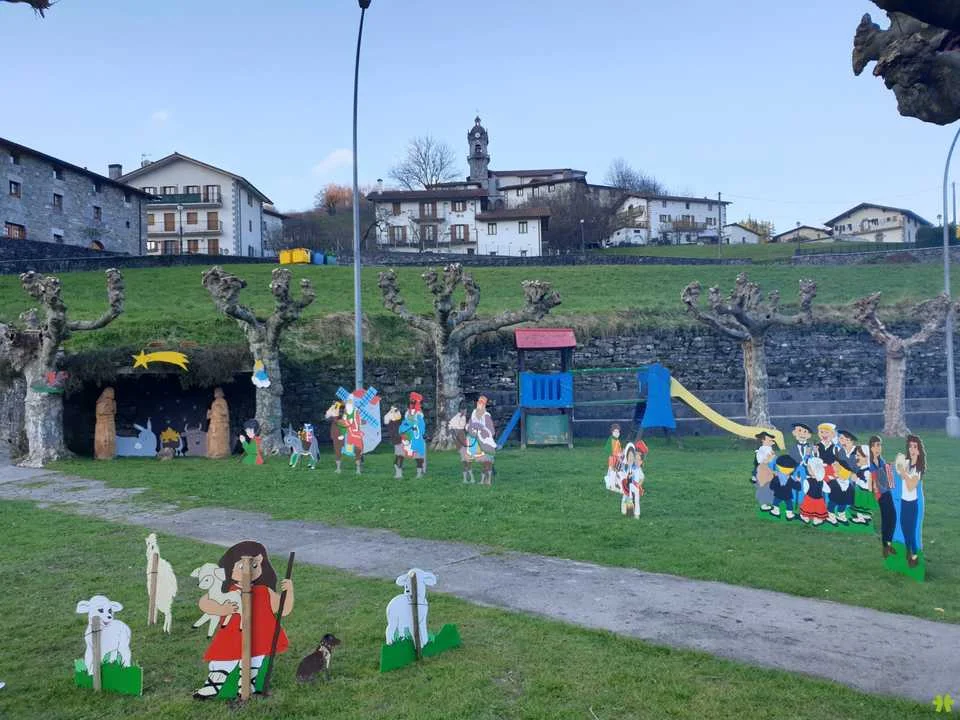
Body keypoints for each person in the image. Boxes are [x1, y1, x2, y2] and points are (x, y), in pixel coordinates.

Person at [193, 541, 294, 700]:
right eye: (242, 566)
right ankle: (213, 685)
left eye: (254, 565)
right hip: (231, 635)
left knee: (255, 660)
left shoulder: (264, 591)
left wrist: (289, 592)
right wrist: (222, 609)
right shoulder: (225, 591)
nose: (249, 571)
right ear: (229, 568)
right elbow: (204, 602)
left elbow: (283, 609)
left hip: (259, 636)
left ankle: (248, 686)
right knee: (224, 660)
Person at [898, 435, 926, 568]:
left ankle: (914, 555)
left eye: (915, 447)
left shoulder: (918, 469)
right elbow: (900, 474)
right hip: (903, 502)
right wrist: (900, 466)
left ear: (919, 451)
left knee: (910, 532)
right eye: (910, 447)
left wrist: (904, 473)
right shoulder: (907, 463)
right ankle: (908, 550)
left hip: (912, 504)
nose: (912, 449)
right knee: (904, 529)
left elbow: (910, 486)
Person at [869, 435, 897, 558]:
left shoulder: (881, 460)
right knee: (887, 518)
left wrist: (892, 465)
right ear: (870, 447)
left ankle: (887, 544)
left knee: (892, 517)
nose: (878, 448)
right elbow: (871, 478)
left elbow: (886, 471)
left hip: (886, 491)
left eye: (879, 445)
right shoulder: (870, 463)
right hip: (880, 494)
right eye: (875, 445)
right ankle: (886, 546)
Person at [467, 396, 496, 486]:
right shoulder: (474, 413)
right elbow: (469, 425)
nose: (480, 405)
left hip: (485, 440)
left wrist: (483, 431)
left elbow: (491, 430)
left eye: (482, 403)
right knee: (481, 460)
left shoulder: (487, 415)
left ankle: (488, 480)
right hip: (475, 439)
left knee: (487, 460)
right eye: (479, 403)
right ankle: (483, 480)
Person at [399, 392, 427, 478]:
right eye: (411, 403)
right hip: (408, 435)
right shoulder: (407, 414)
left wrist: (419, 431)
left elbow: (421, 425)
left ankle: (420, 472)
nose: (411, 405)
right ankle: (399, 470)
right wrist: (403, 431)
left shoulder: (418, 414)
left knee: (419, 454)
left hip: (416, 435)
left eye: (413, 403)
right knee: (401, 452)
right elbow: (405, 424)